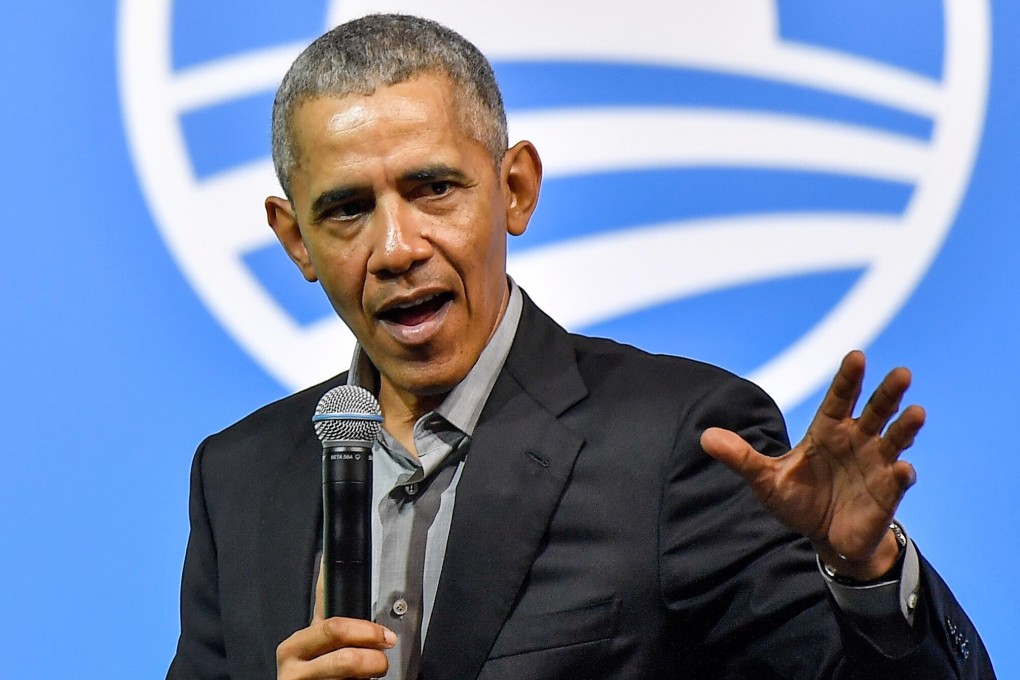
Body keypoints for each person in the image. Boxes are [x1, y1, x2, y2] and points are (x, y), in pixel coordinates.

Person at [166, 13, 995, 680]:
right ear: (295, 240)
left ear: (515, 188)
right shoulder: (238, 477)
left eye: (434, 189)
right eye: (347, 209)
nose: (395, 247)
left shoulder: (677, 441)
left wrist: (868, 576)